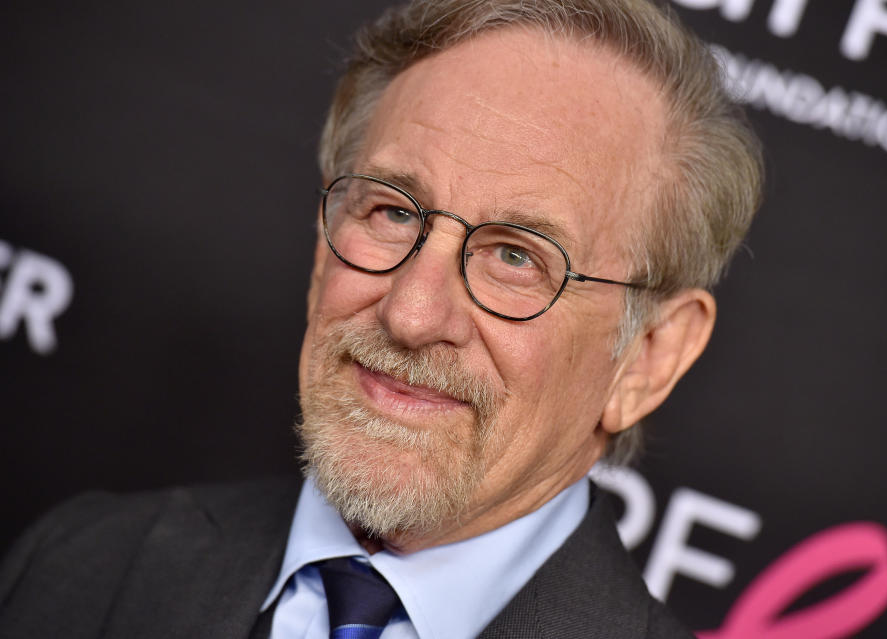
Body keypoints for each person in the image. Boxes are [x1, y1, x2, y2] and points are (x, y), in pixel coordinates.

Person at [0, 0, 762, 637]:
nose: (412, 311)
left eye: (518, 257)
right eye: (393, 211)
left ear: (649, 357)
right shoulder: (80, 566)